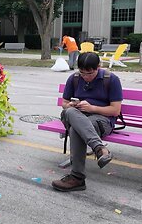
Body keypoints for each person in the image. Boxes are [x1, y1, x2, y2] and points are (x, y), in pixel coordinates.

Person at [52, 52, 123, 192]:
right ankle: (100, 149)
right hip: (76, 115)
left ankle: (77, 178)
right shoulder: (74, 78)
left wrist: (92, 108)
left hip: (101, 120)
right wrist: (71, 105)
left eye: (90, 73)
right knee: (70, 112)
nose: (86, 77)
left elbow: (115, 111)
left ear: (99, 66)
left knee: (75, 129)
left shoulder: (111, 79)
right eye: (82, 72)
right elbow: (64, 103)